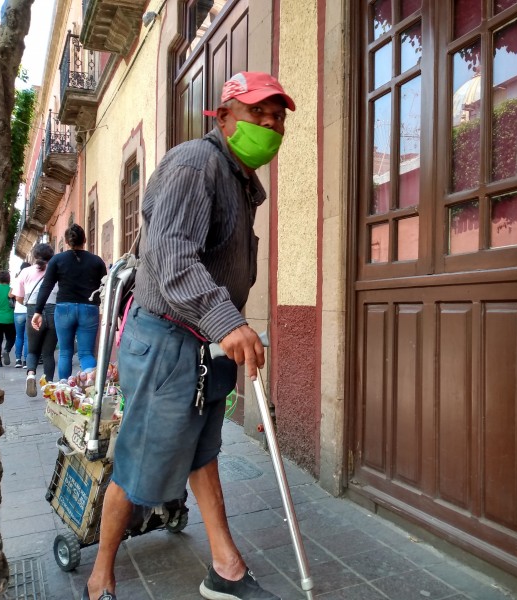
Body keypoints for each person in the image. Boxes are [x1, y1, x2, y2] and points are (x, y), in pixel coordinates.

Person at [82, 71, 295, 600]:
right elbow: (172, 257)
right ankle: (101, 572)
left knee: (203, 452)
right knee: (139, 462)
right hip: (168, 342)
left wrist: (225, 326)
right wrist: (227, 321)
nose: (270, 125)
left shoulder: (241, 181)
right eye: (257, 114)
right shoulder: (196, 163)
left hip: (203, 346)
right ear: (222, 117)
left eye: (277, 117)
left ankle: (225, 567)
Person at [31, 225, 107, 381]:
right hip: (89, 309)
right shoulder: (97, 261)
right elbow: (104, 287)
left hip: (64, 309)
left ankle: (65, 390)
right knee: (86, 353)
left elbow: (46, 286)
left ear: (66, 241)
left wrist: (37, 311)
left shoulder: (57, 260)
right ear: (85, 240)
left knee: (65, 352)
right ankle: (93, 387)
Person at [14, 244, 58, 396]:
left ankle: (31, 374)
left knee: (32, 350)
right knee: (48, 353)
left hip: (33, 311)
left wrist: (28, 304)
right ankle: (49, 386)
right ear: (52, 255)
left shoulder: (25, 272)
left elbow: (18, 297)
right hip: (53, 310)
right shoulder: (56, 269)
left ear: (34, 256)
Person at [10, 260, 32, 368]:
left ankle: (18, 360)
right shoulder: (31, 278)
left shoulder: (17, 279)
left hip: (18, 311)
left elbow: (10, 294)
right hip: (28, 310)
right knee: (27, 337)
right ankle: (25, 361)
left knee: (19, 336)